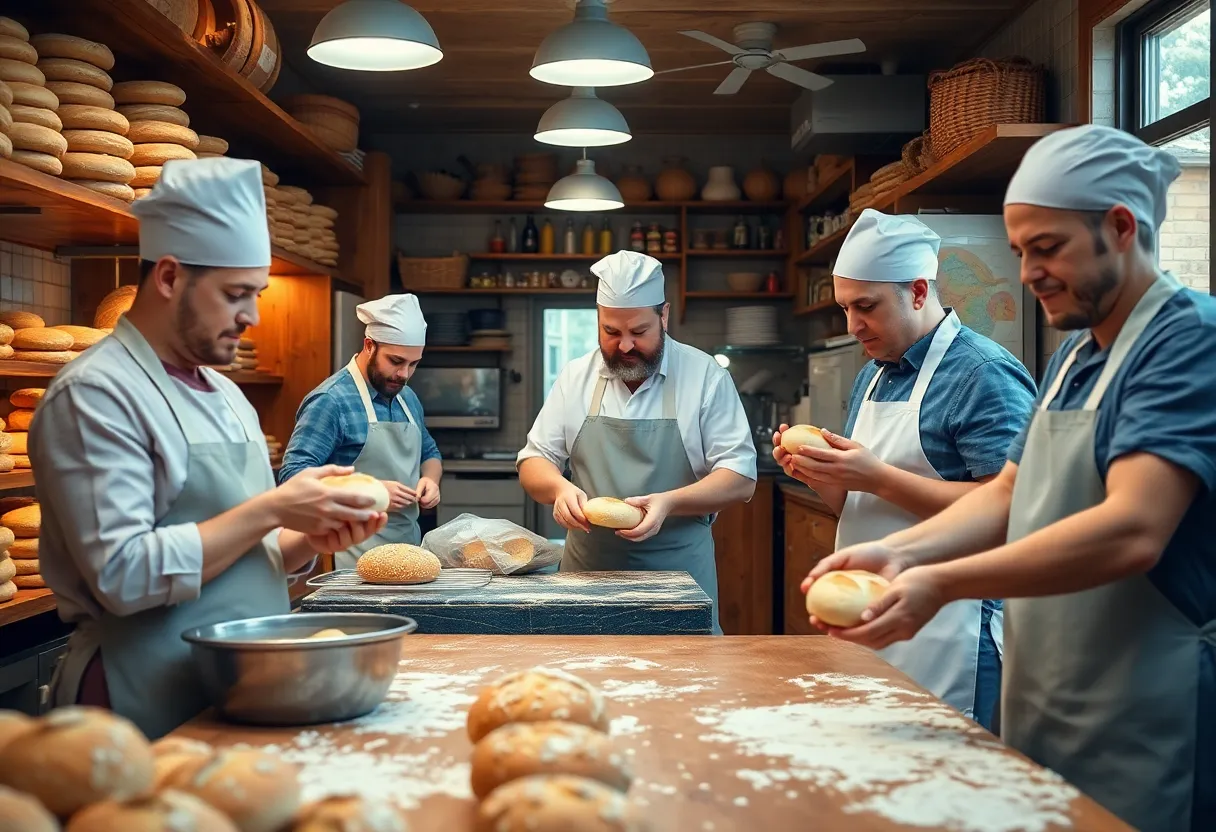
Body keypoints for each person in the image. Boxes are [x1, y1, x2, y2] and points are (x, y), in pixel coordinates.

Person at [803, 125, 1214, 832]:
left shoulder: (1187, 341)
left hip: (1149, 696)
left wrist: (941, 582)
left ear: (1121, 228)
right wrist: (896, 554)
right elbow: (1007, 493)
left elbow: (1134, 529)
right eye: (1021, 252)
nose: (1026, 274)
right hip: (1055, 686)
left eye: (1046, 248)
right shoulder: (1076, 357)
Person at [30, 158, 388, 740]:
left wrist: (307, 538)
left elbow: (246, 549)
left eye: (256, 294)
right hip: (144, 693)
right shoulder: (96, 394)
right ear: (170, 277)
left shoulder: (225, 394)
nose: (252, 316)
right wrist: (274, 508)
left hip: (243, 687)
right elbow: (122, 576)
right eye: (235, 294)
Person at [773, 209, 1037, 730]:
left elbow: (1016, 509)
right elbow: (859, 507)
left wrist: (876, 476)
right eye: (845, 308)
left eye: (866, 307)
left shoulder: (983, 374)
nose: (852, 326)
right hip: (871, 612)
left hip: (954, 628)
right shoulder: (874, 374)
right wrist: (822, 475)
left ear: (918, 292)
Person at [517, 250, 757, 635]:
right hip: (586, 581)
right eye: (611, 332)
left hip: (680, 583)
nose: (625, 346)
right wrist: (559, 489)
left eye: (639, 332)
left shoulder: (704, 376)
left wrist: (669, 502)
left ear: (664, 316)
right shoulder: (575, 377)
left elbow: (741, 477)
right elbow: (534, 461)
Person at [279, 293, 442, 569]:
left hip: (407, 551)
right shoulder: (331, 400)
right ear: (369, 345)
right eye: (396, 361)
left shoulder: (407, 398)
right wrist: (370, 492)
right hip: (348, 557)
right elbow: (293, 476)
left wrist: (430, 479)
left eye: (413, 364)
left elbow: (430, 452)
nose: (404, 374)